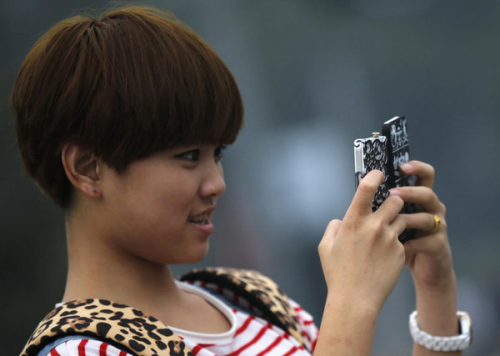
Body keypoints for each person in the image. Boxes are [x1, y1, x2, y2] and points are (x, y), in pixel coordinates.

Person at [11, 5, 471, 356]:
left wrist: (433, 286)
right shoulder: (83, 350)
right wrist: (351, 305)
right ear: (88, 169)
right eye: (188, 157)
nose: (217, 183)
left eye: (219, 154)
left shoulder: (256, 302)